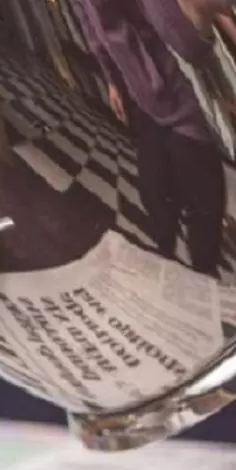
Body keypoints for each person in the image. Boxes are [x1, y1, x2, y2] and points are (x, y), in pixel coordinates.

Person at [72, 0, 230, 276]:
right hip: (157, 84)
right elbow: (187, 44)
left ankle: (187, 268)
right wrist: (112, 77)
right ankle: (191, 272)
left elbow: (96, 24)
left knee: (182, 189)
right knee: (187, 192)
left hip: (160, 82)